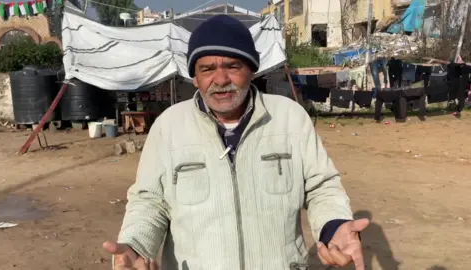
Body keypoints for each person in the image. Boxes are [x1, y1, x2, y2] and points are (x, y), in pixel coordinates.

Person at [103, 15, 369, 270]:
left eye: (233, 66)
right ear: (194, 77)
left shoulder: (289, 118)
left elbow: (321, 186)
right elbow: (150, 201)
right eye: (207, 69)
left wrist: (334, 225)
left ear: (252, 70)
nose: (220, 80)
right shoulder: (169, 127)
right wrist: (135, 245)